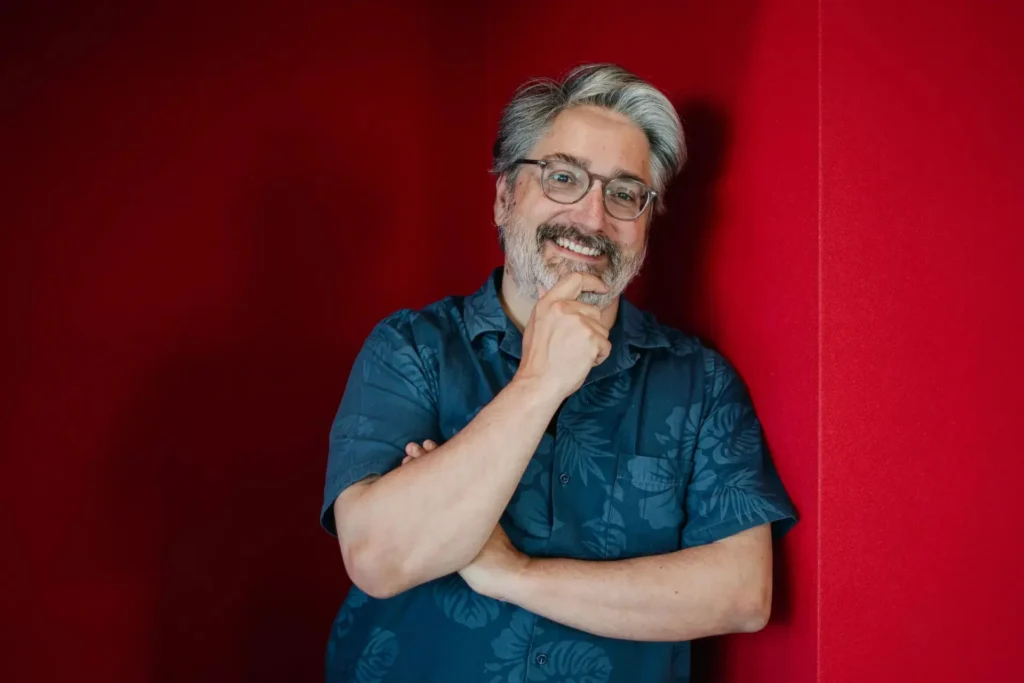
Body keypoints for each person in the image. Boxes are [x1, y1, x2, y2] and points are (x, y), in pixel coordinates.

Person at [320, 63, 797, 683]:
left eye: (624, 192)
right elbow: (377, 559)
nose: (593, 219)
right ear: (504, 197)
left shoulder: (700, 381)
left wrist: (511, 573)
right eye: (563, 177)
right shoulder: (411, 348)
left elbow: (742, 595)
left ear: (647, 221)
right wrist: (540, 381)